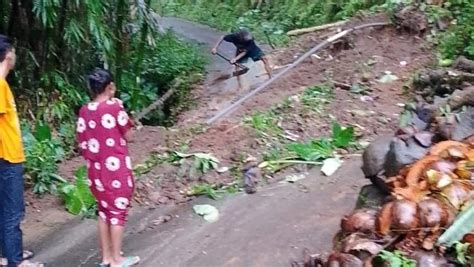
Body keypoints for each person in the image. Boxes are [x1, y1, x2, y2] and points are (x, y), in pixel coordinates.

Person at [76, 68, 139, 267]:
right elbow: (129, 136)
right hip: (116, 170)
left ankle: (106, 258)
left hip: (95, 173)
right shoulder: (114, 108)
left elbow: (81, 142)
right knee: (118, 213)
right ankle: (118, 260)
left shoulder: (85, 110)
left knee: (104, 212)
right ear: (110, 87)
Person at [0, 35, 44, 267]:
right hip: (6, 158)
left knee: (4, 210)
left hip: (6, 157)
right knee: (12, 212)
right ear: (8, 54)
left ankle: (8, 254)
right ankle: (16, 262)